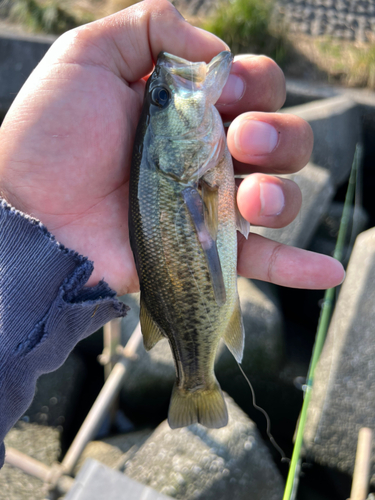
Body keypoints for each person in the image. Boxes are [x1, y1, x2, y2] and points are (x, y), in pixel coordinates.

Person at [0, 0, 345, 467]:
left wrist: (19, 215)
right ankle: (196, 382)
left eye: (158, 98)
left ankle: (195, 379)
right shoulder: (193, 166)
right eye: (162, 99)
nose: (167, 89)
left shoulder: (194, 165)